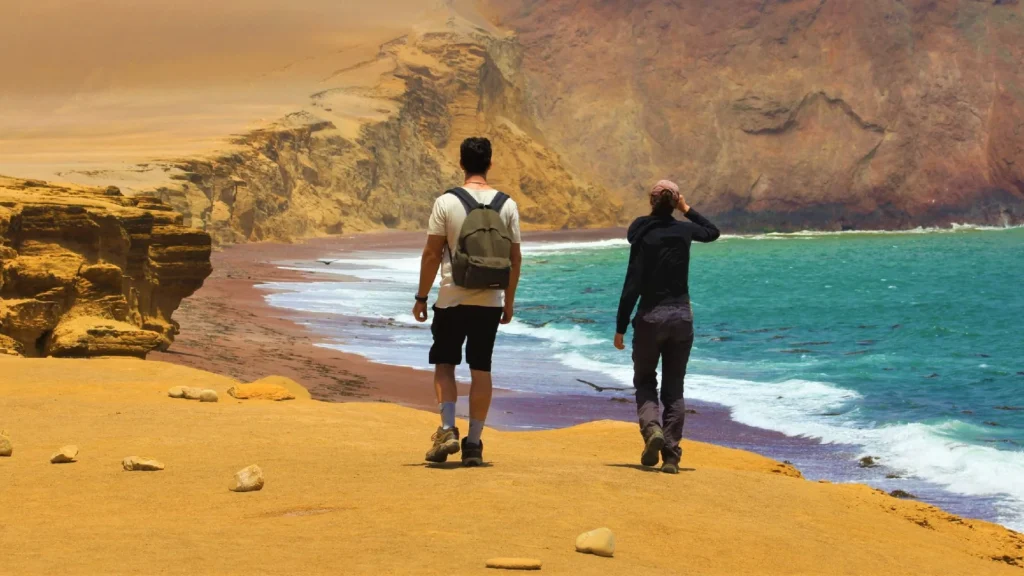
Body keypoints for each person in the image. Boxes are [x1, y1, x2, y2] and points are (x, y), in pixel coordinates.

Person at [413, 137, 522, 466]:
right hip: (490, 300)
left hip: (451, 298)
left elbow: (432, 253)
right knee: (481, 368)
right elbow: (515, 259)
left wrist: (421, 296)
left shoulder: (446, 202)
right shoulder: (508, 204)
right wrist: (509, 302)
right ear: (489, 164)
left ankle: (448, 429)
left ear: (461, 164)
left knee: (445, 365)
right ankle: (474, 442)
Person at [614, 180, 720, 473]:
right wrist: (686, 209)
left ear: (651, 201)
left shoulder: (641, 233)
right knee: (674, 388)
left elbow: (632, 283)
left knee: (646, 380)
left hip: (649, 316)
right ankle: (671, 456)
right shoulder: (683, 231)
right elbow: (712, 232)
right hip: (681, 317)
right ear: (674, 203)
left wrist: (620, 326)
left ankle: (653, 432)